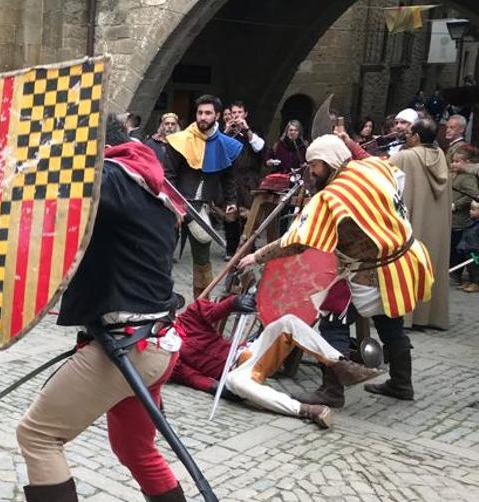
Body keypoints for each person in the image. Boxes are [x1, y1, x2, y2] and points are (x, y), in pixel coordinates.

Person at [5, 117, 206, 502]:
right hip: (154, 342)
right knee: (135, 448)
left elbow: (62, 192)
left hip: (128, 347)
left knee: (37, 435)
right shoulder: (149, 182)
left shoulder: (114, 177)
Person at [239, 134, 433, 405]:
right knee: (390, 322)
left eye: (315, 165)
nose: (311, 172)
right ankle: (401, 383)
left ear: (329, 162)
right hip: (403, 258)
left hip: (372, 271)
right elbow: (387, 170)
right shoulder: (371, 166)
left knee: (334, 320)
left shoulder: (332, 198)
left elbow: (297, 242)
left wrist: (257, 256)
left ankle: (332, 390)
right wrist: (349, 143)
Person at [171, 295, 379, 429]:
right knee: (235, 381)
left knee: (288, 322)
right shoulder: (163, 345)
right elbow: (185, 375)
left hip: (248, 352)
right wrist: (213, 387)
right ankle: (304, 410)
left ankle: (340, 364)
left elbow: (213, 311)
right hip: (237, 373)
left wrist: (234, 303)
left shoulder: (189, 316)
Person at [164, 94, 241, 297]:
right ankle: (160, 305)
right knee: (161, 257)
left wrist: (231, 201)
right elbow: (168, 176)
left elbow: (229, 178)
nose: (203, 117)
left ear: (217, 115)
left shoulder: (225, 144)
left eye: (208, 113)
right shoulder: (180, 141)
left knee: (202, 257)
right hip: (174, 205)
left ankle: (201, 306)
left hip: (202, 207)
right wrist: (174, 205)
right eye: (200, 113)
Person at [393, 118, 450, 330]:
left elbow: (376, 170)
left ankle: (406, 316)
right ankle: (428, 316)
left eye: (409, 133)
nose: (406, 137)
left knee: (407, 265)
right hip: (434, 231)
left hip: (412, 227)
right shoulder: (441, 157)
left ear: (416, 136)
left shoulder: (406, 157)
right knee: (431, 263)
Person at [222, 101, 266, 259]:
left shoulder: (253, 132)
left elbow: (259, 147)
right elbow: (219, 150)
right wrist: (226, 132)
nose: (236, 115)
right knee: (230, 214)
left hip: (248, 180)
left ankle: (248, 247)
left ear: (245, 114)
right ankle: (231, 248)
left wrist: (246, 129)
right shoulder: (227, 133)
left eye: (239, 112)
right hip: (231, 178)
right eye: (233, 113)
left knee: (247, 215)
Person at [450, 144, 479, 285]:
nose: (453, 164)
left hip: (460, 220)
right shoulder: (453, 175)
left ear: (467, 163)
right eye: (453, 161)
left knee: (459, 249)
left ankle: (457, 275)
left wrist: (456, 205)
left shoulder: (468, 178)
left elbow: (473, 194)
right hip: (451, 219)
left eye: (457, 161)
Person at [457, 200, 479, 291]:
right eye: (470, 209)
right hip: (468, 248)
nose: (470, 211)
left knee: (475, 268)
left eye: (473, 209)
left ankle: (476, 283)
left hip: (476, 250)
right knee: (469, 267)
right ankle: (471, 281)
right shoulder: (469, 221)